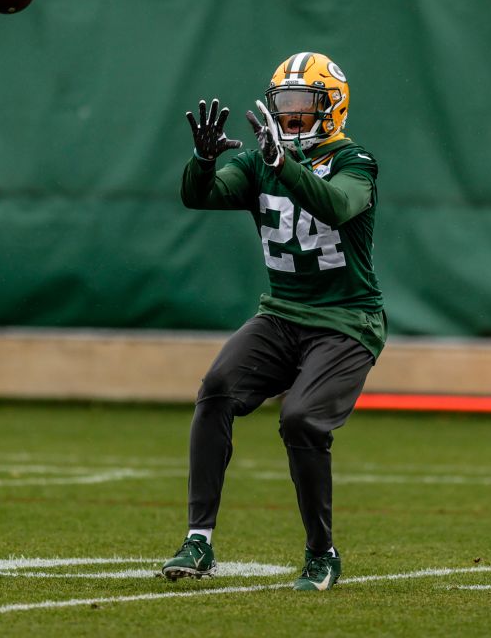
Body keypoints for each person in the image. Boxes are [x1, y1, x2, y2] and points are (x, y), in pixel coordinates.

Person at [159, 52, 384, 592]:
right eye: (284, 106)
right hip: (282, 313)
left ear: (332, 108)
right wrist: (203, 161)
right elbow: (200, 196)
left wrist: (286, 167)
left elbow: (336, 206)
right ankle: (199, 538)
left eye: (304, 106)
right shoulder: (263, 160)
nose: (291, 118)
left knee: (301, 419)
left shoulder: (356, 161)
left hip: (347, 321)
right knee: (216, 389)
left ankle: (321, 553)